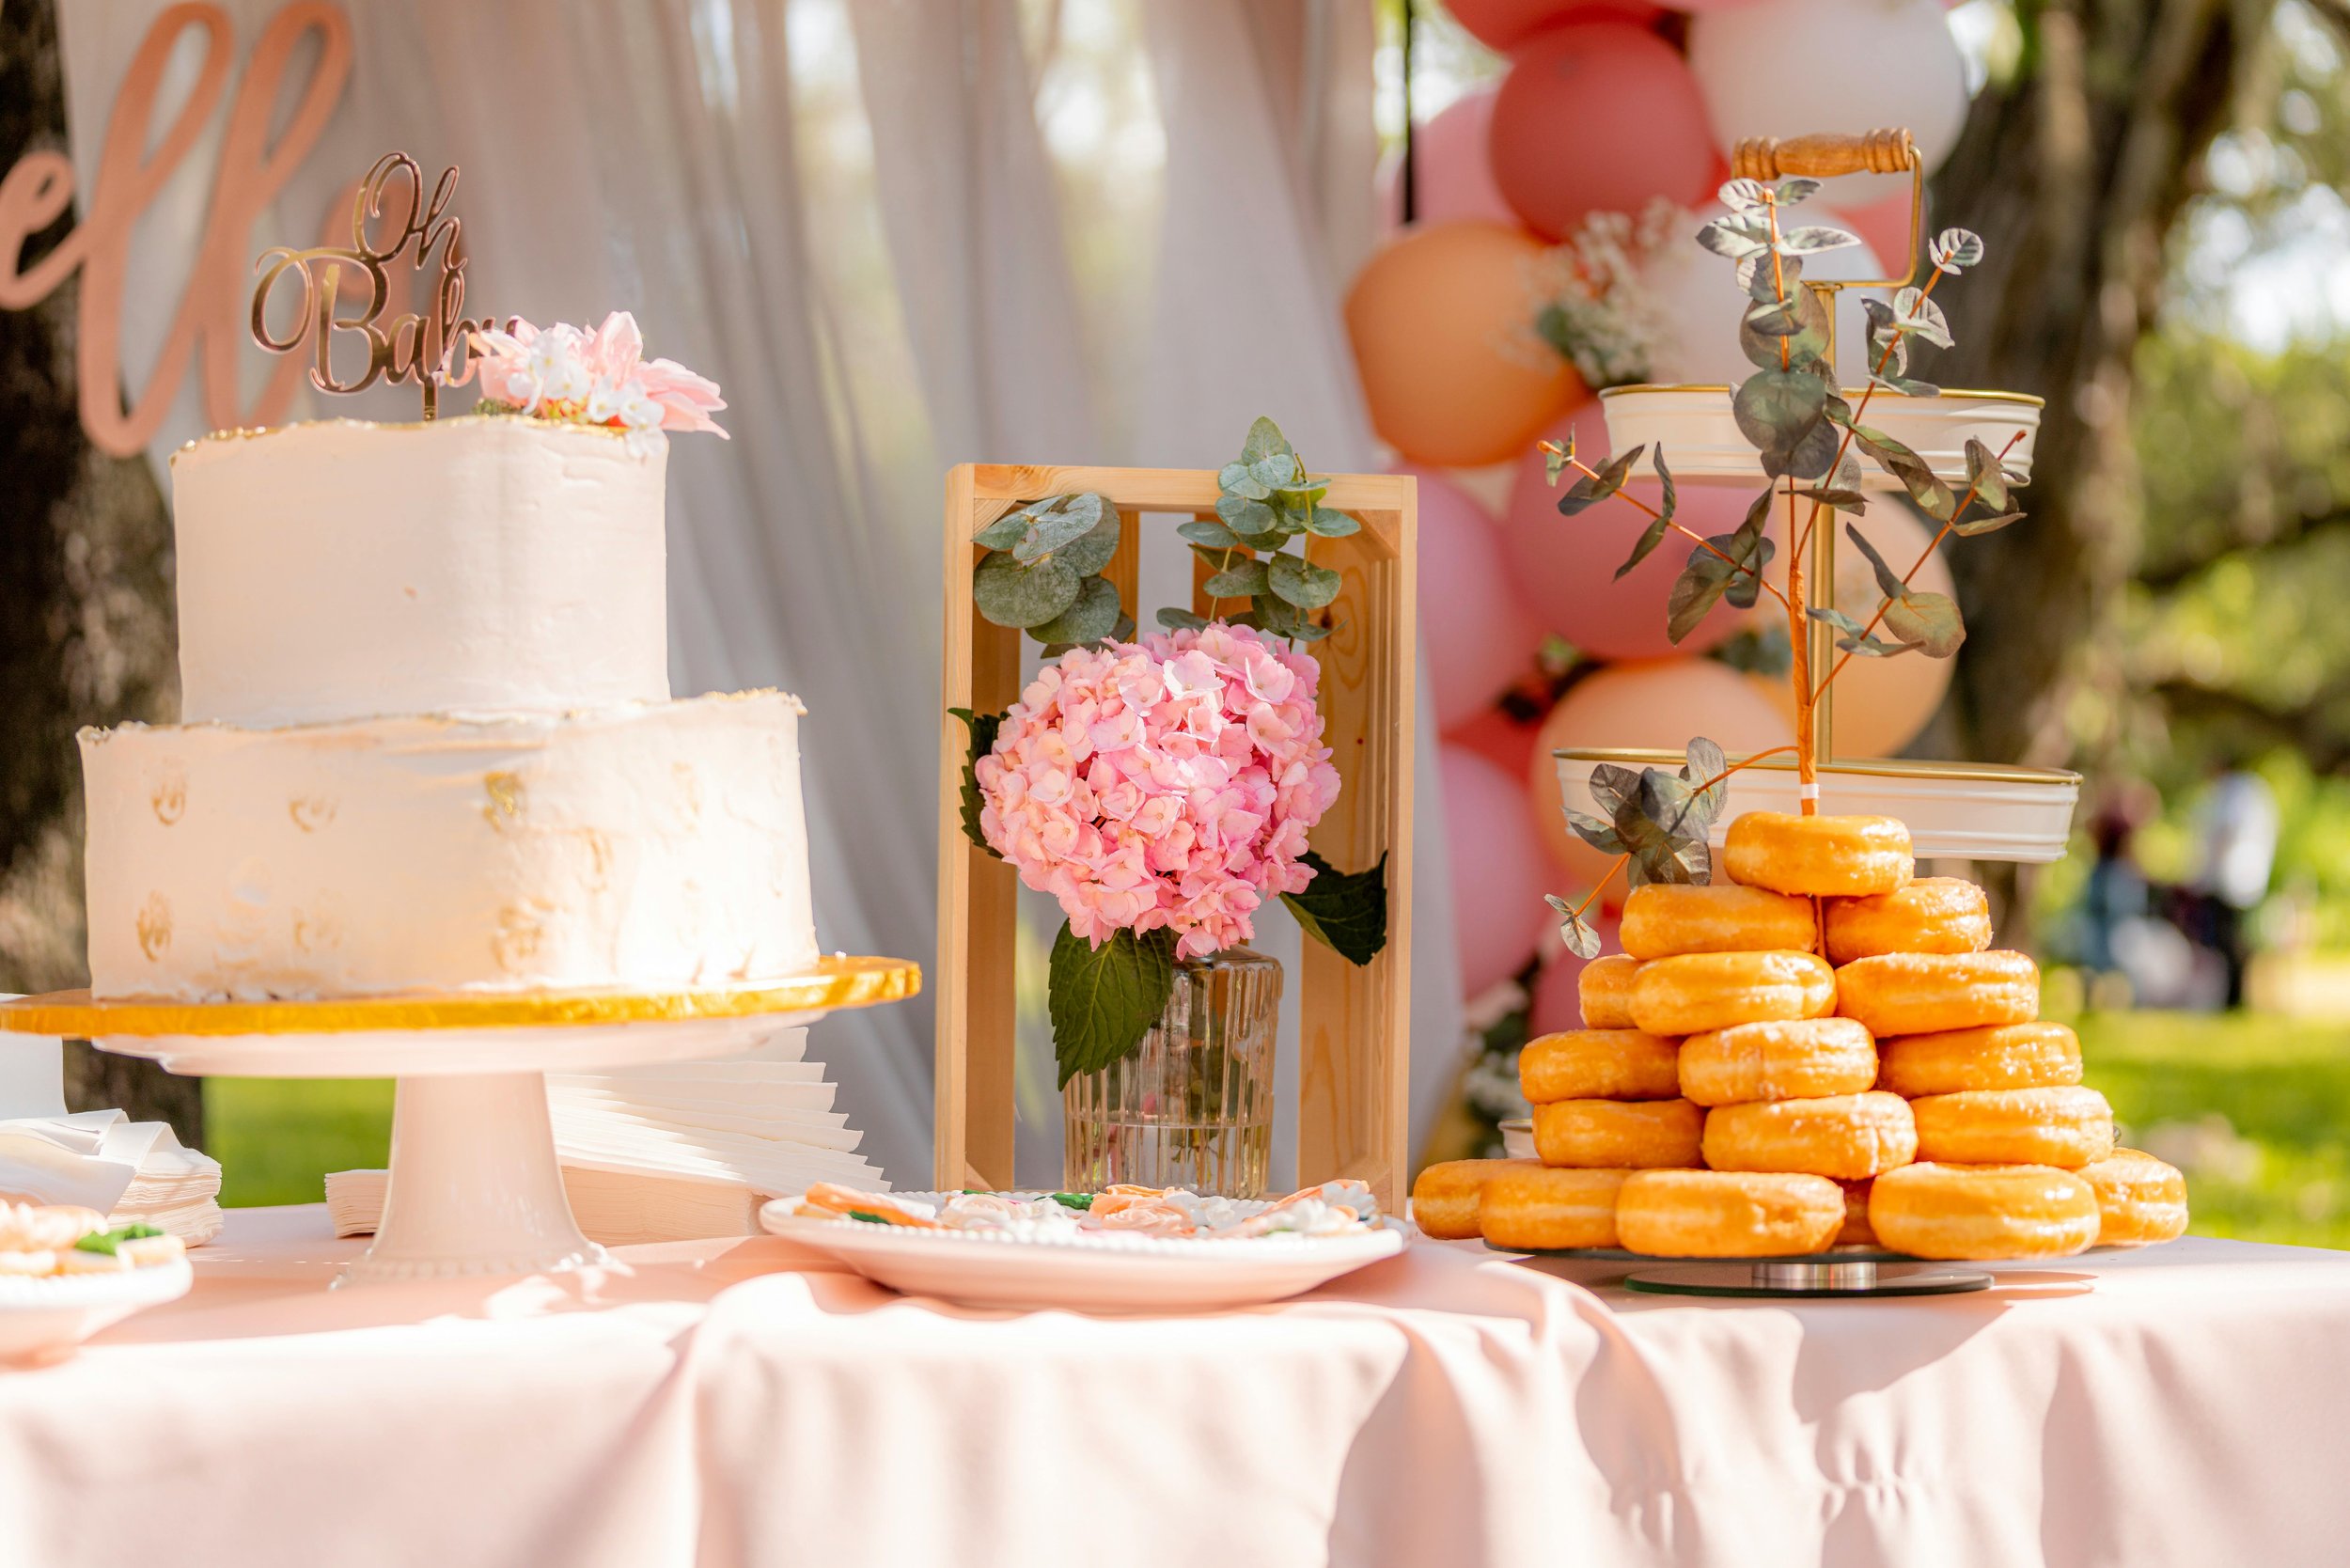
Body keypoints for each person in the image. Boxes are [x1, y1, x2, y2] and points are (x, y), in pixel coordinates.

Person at [2195, 762, 2279, 1010]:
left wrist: (2206, 872)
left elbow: (2224, 833)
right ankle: (2234, 996)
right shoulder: (2255, 790)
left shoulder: (2234, 792)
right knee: (2235, 939)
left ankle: (2233, 997)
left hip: (2231, 879)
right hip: (2247, 878)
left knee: (2228, 941)